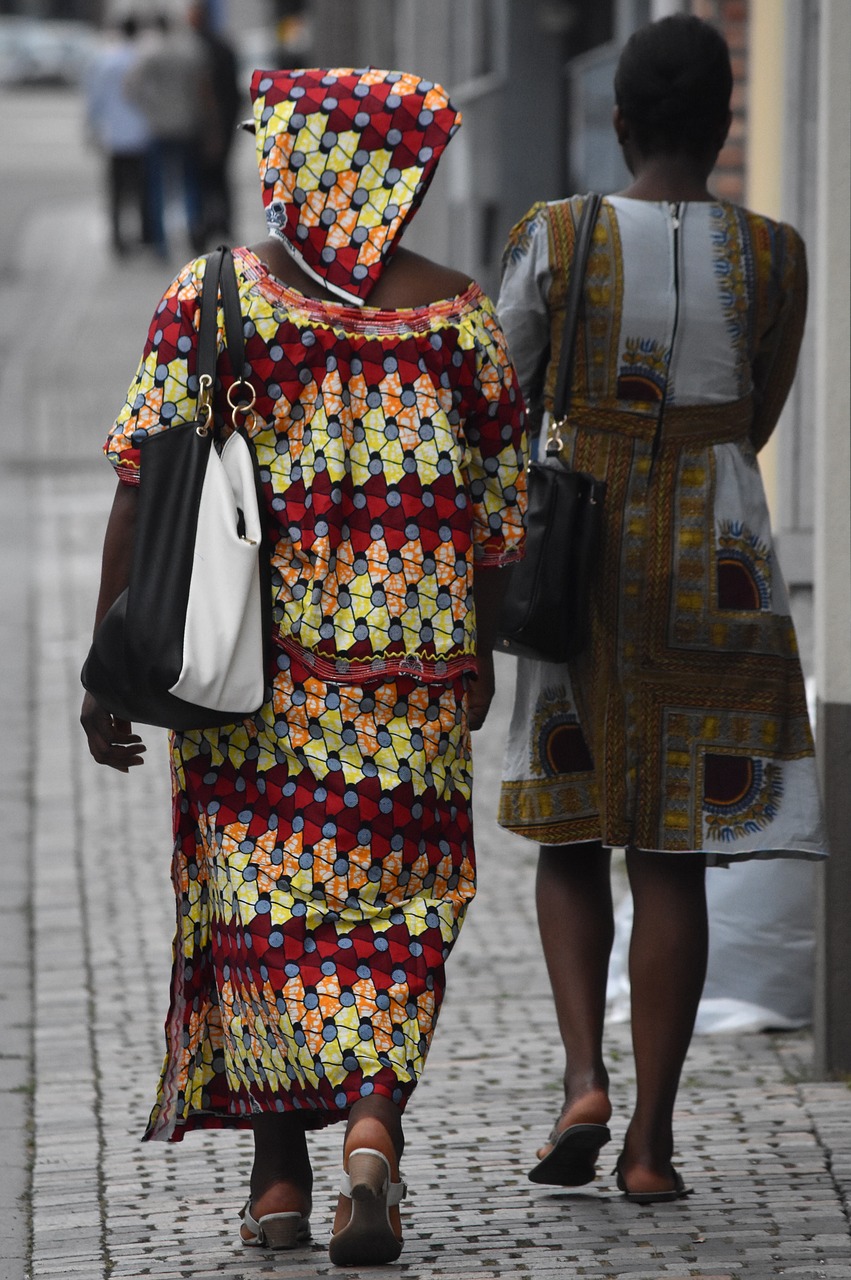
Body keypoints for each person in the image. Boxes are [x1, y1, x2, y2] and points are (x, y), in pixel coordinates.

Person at [80, 67, 525, 1265]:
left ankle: (278, 1182)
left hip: (248, 687)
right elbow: (500, 520)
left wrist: (107, 663)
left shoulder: (214, 296)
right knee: (394, 916)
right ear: (399, 175)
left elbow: (141, 485)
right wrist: (475, 656)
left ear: (290, 166)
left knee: (262, 918)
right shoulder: (459, 319)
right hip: (410, 691)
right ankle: (371, 1136)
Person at [496, 14, 827, 1204]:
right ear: (724, 124)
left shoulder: (558, 236)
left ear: (619, 120)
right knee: (673, 848)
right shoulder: (775, 254)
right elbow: (757, 411)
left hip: (579, 553)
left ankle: (582, 1074)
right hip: (716, 560)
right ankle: (648, 1140)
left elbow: (497, 395)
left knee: (571, 827)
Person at [124, 13, 208, 258]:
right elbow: (201, 90)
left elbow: (130, 86)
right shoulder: (190, 52)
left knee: (158, 187)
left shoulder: (152, 54)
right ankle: (193, 235)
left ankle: (161, 243)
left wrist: (149, 108)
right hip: (186, 125)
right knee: (189, 183)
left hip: (158, 127)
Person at [84, 14, 152, 255]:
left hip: (115, 135)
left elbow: (95, 98)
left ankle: (118, 239)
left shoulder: (106, 61)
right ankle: (145, 235)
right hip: (142, 135)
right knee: (143, 191)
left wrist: (91, 127)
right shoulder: (143, 59)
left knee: (117, 192)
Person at [187, 0, 241, 243]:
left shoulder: (199, 49)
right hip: (220, 123)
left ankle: (208, 224)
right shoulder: (219, 46)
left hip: (208, 125)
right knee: (219, 176)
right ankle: (221, 223)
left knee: (206, 177)